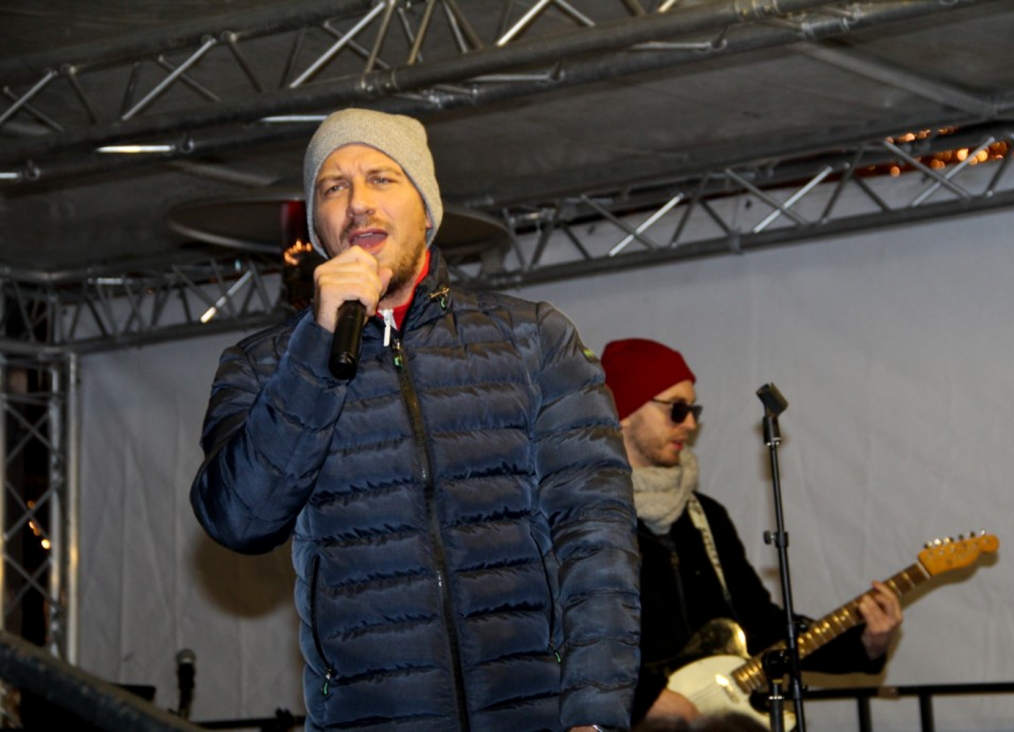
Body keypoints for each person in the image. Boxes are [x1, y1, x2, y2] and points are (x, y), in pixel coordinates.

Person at [190, 108, 641, 732]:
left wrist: (595, 711)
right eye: (333, 187)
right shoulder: (264, 365)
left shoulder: (533, 338)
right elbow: (240, 520)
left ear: (426, 210)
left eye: (382, 178)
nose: (358, 203)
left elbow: (595, 536)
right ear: (319, 231)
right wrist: (316, 348)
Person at [598, 338, 903, 726]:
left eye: (693, 410)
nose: (690, 423)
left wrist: (864, 644)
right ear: (624, 412)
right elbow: (551, 640)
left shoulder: (705, 516)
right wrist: (642, 698)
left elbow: (763, 628)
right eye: (677, 409)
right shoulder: (579, 516)